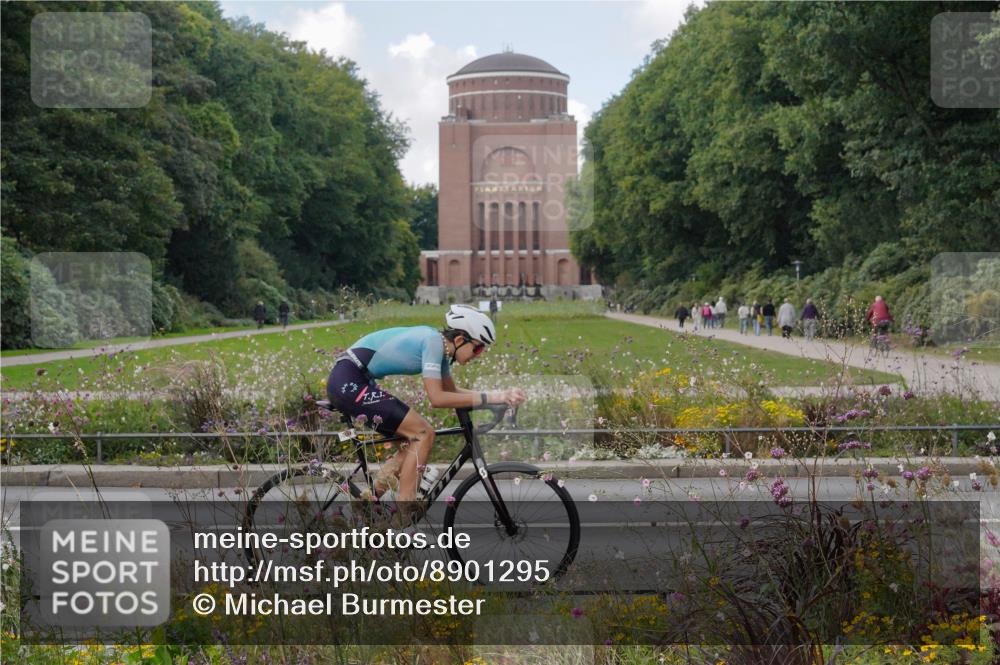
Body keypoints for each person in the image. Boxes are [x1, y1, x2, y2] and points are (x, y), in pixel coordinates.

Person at [326, 304, 526, 523]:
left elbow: (451, 391)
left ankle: (363, 504)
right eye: (478, 348)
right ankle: (404, 521)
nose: (479, 355)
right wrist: (492, 399)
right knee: (423, 433)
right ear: (460, 340)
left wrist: (496, 397)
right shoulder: (433, 342)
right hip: (348, 382)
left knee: (412, 443)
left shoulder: (440, 346)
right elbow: (437, 398)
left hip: (356, 380)